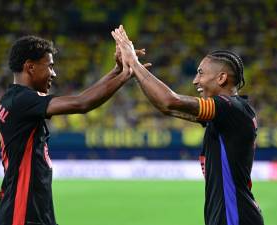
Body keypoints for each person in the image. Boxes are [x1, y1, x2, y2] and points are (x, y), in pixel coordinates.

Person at [112, 25, 264, 225]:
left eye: (200, 73)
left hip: (234, 217)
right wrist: (134, 72)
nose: (195, 80)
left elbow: (170, 101)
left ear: (222, 78)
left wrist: (134, 61)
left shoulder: (230, 108)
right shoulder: (228, 112)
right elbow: (167, 108)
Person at [0, 35, 148, 225]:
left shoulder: (13, 98)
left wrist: (117, 69)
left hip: (29, 210)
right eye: (49, 66)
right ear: (30, 67)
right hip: (22, 214)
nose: (54, 73)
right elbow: (81, 103)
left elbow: (81, 98)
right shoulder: (22, 101)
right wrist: (127, 73)